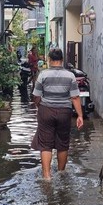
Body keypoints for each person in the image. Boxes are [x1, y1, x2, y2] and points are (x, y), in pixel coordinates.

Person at [31, 48, 84, 180]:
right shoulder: (70, 76)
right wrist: (80, 116)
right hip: (64, 112)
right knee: (63, 143)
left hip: (46, 110)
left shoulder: (43, 75)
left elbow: (36, 96)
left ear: (49, 60)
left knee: (45, 144)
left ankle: (47, 176)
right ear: (62, 60)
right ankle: (61, 173)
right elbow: (75, 97)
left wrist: (40, 106)